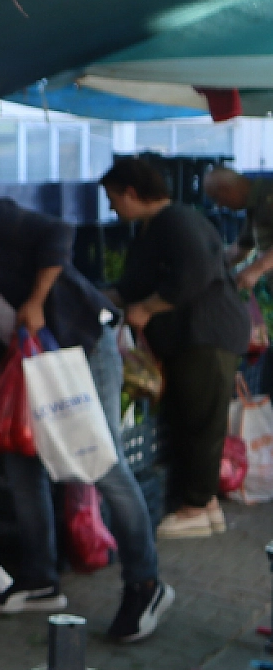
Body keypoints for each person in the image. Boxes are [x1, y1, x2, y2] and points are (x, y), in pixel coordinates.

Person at [0, 192, 174, 642]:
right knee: (21, 465)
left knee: (102, 463)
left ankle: (145, 583)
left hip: (80, 349)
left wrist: (36, 300)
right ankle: (39, 579)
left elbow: (57, 233)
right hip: (26, 371)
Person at [102, 156, 249, 539]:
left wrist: (148, 308)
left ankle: (195, 507)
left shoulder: (176, 222)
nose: (111, 207)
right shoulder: (154, 228)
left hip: (206, 333)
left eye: (114, 198)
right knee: (187, 416)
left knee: (201, 420)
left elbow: (197, 272)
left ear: (133, 193)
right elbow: (134, 285)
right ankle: (205, 504)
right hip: (191, 337)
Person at [203, 165, 273, 292]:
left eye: (216, 197)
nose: (219, 205)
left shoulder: (268, 196)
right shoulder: (254, 206)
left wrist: (257, 268)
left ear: (225, 189)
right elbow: (240, 249)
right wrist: (209, 269)